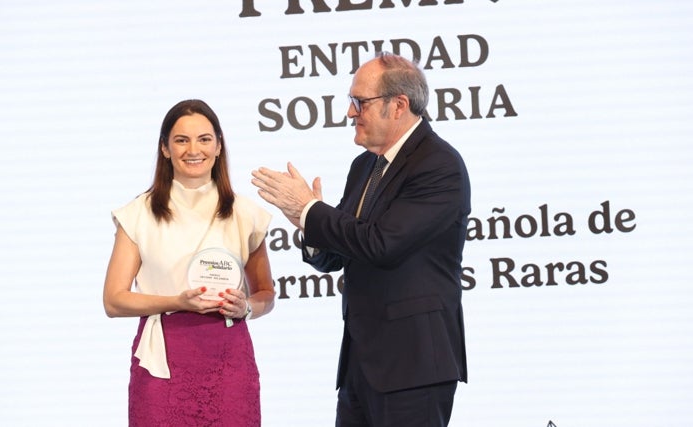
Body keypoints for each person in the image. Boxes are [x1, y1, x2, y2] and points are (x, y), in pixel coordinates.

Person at [251, 52, 470, 427]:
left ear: (398, 105)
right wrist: (306, 223)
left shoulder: (439, 164)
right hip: (360, 365)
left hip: (413, 367)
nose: (351, 112)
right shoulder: (365, 165)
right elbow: (337, 255)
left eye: (360, 102)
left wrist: (309, 211)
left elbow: (382, 245)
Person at [103, 99, 275, 426]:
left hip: (229, 361)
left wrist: (247, 307)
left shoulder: (245, 213)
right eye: (181, 140)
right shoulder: (138, 214)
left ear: (219, 146)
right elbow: (113, 300)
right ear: (165, 149)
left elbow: (266, 293)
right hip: (162, 362)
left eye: (204, 139)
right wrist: (176, 302)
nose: (193, 150)